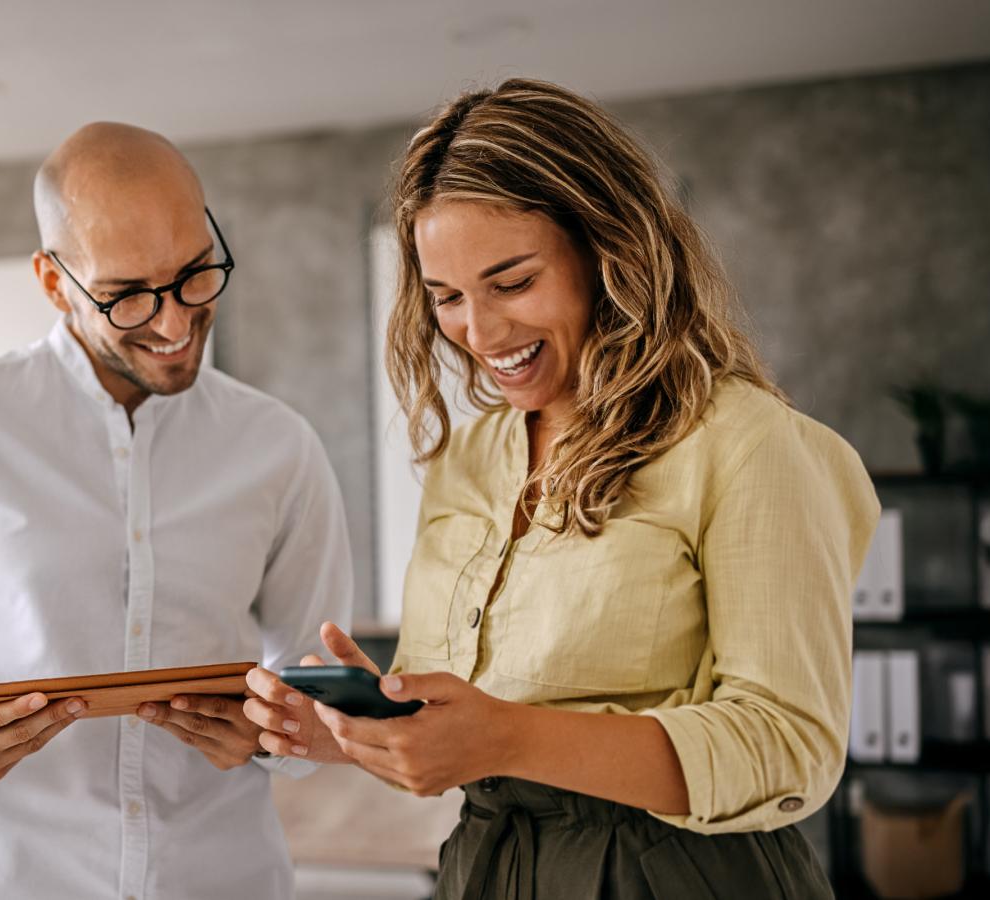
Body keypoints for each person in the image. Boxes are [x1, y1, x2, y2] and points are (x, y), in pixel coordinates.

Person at [245, 78, 880, 899]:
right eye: (446, 298)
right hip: (488, 866)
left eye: (512, 283)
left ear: (607, 248)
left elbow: (789, 745)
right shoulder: (466, 459)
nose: (480, 332)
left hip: (683, 875)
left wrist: (507, 740)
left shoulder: (746, 443)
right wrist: (352, 728)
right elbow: (470, 722)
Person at [0, 122, 352, 900]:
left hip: (224, 876)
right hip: (13, 879)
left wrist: (277, 731)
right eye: (126, 296)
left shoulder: (280, 445)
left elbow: (321, 670)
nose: (175, 325)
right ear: (53, 283)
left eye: (194, 274)